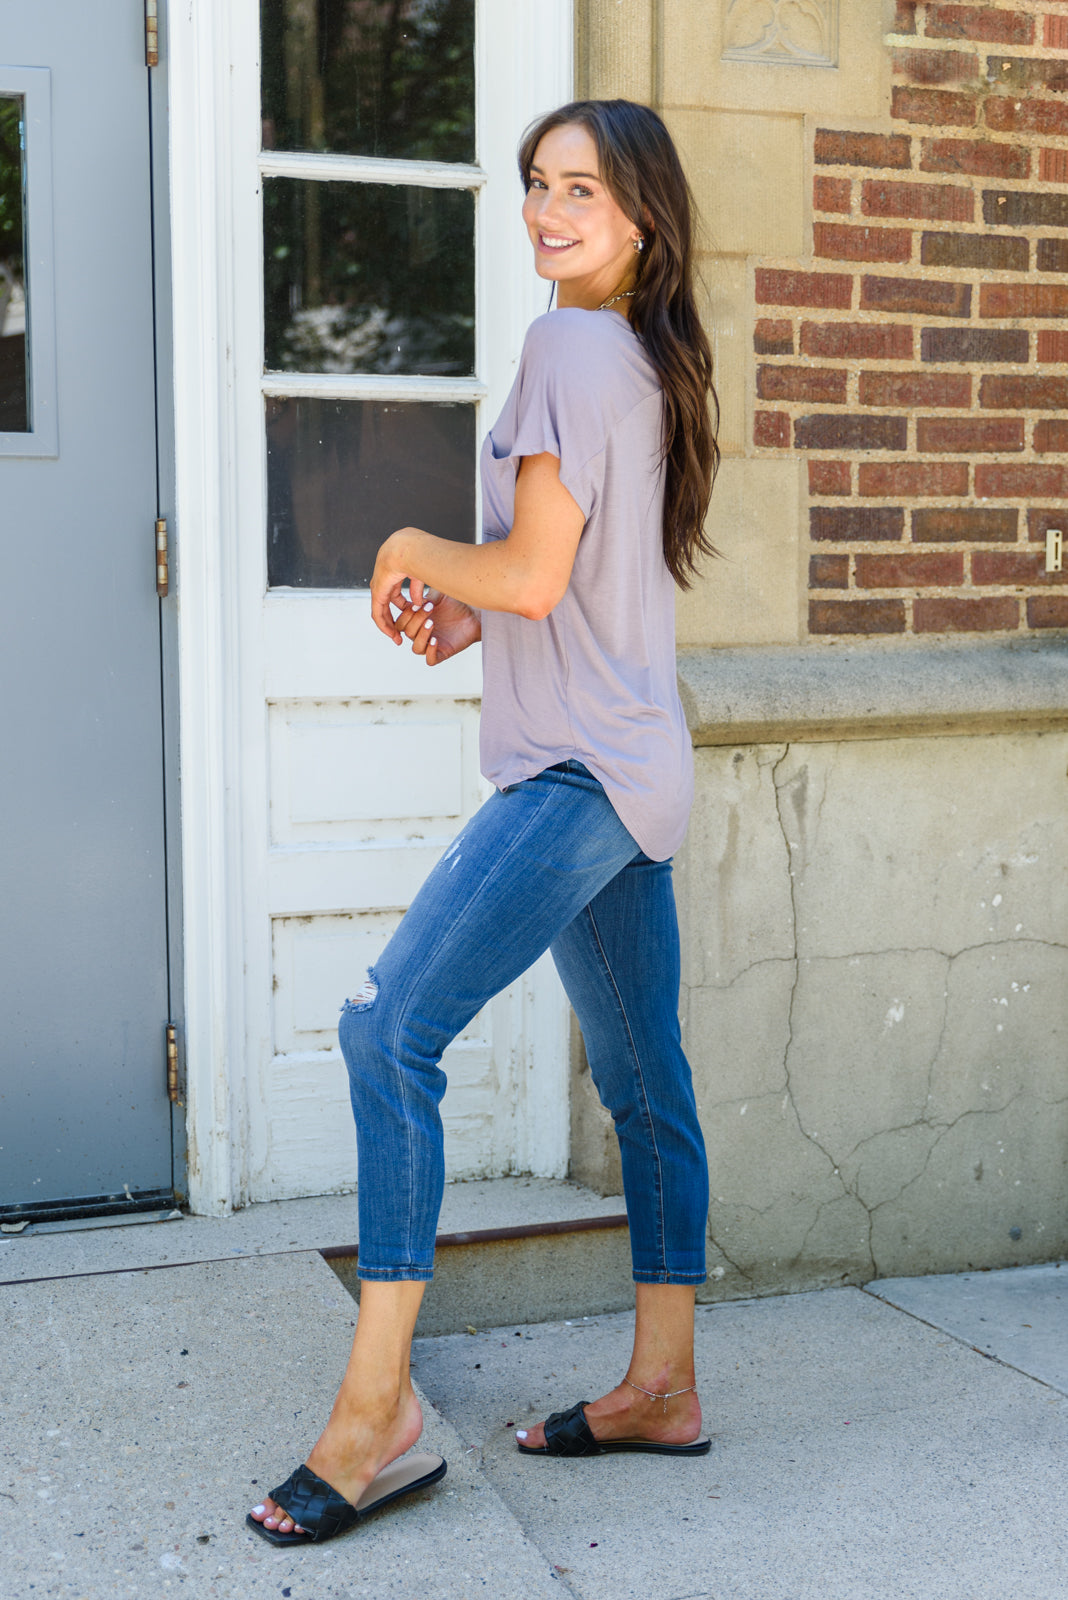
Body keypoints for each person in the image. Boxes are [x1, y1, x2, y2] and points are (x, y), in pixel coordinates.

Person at [248, 97, 720, 1546]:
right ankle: (663, 1384)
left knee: (387, 1033)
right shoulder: (641, 356)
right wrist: (471, 617)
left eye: (580, 187)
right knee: (647, 1085)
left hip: (576, 777)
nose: (544, 209)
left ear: (642, 213)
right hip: (636, 766)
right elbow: (554, 586)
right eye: (533, 184)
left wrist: (406, 549)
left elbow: (528, 573)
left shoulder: (570, 344)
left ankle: (378, 1414)